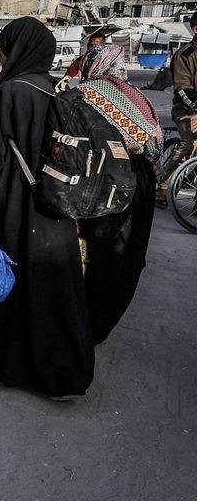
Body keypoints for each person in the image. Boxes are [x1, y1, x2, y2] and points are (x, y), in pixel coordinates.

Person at [0, 17, 92, 400]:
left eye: (6, 47)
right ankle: (62, 376)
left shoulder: (10, 90)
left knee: (2, 280)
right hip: (54, 205)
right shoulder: (55, 91)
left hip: (14, 203)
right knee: (50, 289)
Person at [71, 43, 160, 343]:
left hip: (108, 180)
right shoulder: (138, 97)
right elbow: (154, 146)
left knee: (97, 251)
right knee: (127, 254)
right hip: (143, 181)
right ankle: (102, 323)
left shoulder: (88, 93)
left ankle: (84, 323)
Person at [158, 11, 197, 206]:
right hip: (187, 109)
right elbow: (183, 88)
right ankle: (163, 190)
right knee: (190, 145)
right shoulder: (185, 55)